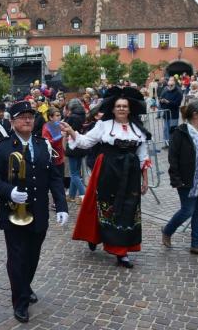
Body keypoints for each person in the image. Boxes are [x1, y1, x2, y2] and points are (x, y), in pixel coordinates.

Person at [0, 101, 69, 323]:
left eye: (30, 117)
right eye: (22, 117)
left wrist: (61, 206)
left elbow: (54, 177)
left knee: (32, 255)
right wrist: (9, 191)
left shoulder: (43, 144)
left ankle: (25, 285)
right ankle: (20, 300)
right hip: (12, 211)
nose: (27, 120)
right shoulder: (1, 146)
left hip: (39, 210)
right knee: (16, 257)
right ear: (12, 121)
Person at [63, 87, 151, 268]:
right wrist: (72, 132)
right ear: (112, 108)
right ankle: (102, 239)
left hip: (131, 171)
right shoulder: (103, 125)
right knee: (107, 205)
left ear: (129, 109)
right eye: (118, 106)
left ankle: (122, 250)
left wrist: (145, 180)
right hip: (109, 170)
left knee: (129, 208)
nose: (121, 109)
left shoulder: (138, 129)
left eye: (124, 106)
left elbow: (143, 156)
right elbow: (86, 142)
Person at [162, 100, 198, 257]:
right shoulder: (181, 132)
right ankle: (167, 230)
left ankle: (196, 244)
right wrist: (176, 178)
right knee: (187, 210)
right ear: (195, 114)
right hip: (187, 179)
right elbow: (173, 157)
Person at [159, 77, 183, 146]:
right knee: (166, 129)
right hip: (166, 114)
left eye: (172, 81)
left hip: (173, 114)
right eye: (169, 80)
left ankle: (174, 144)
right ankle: (166, 143)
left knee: (173, 129)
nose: (170, 83)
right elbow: (161, 101)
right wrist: (161, 101)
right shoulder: (165, 90)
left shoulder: (178, 91)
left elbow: (177, 104)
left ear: (175, 82)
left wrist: (168, 102)